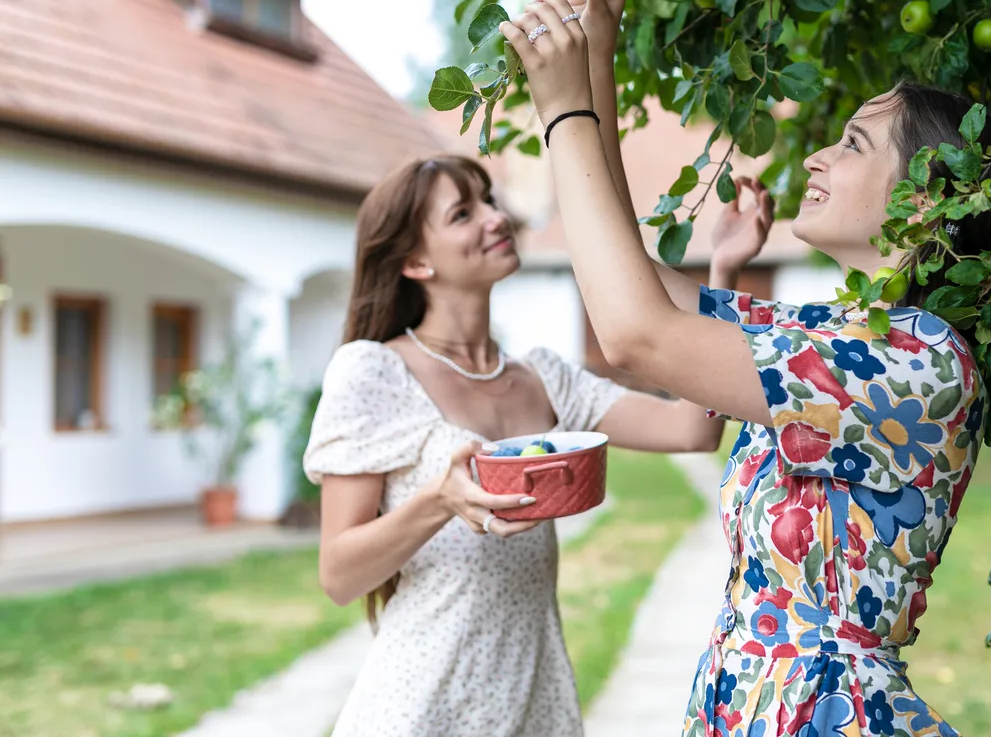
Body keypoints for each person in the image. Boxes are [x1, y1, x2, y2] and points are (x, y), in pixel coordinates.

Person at [499, 0, 991, 737]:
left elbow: (636, 335)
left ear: (925, 203)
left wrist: (563, 112)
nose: (816, 154)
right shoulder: (834, 339)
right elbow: (628, 276)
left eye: (852, 145)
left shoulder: (920, 363)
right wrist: (596, 53)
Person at [303, 154, 769, 733]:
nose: (496, 219)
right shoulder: (372, 373)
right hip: (419, 704)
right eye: (463, 213)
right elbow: (339, 575)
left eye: (490, 201)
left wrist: (721, 271)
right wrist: (439, 501)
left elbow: (692, 429)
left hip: (534, 696)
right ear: (415, 261)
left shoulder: (548, 378)